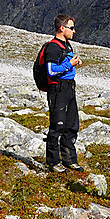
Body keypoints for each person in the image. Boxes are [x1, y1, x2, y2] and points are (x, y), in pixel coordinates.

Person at [44, 14, 84, 172]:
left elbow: (64, 64)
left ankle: (69, 159)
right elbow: (51, 71)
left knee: (71, 125)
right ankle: (53, 162)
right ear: (62, 28)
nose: (74, 31)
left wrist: (74, 63)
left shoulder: (66, 45)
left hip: (69, 88)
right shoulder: (53, 47)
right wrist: (69, 64)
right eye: (71, 28)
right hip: (58, 89)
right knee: (57, 126)